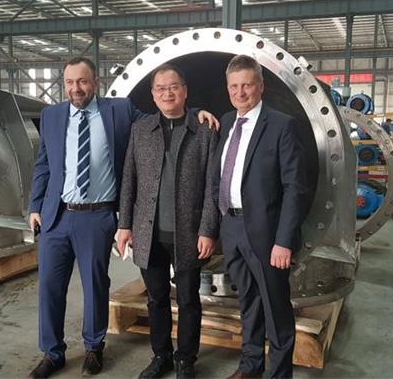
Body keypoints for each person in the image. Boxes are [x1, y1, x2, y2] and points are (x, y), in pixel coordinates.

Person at [27, 57, 218, 379]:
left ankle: (94, 348)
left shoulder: (120, 111)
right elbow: (43, 163)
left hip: (96, 214)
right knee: (49, 286)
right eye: (70, 82)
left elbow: (166, 112)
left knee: (95, 285)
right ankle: (52, 352)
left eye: (82, 81)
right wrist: (35, 205)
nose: (76, 88)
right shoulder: (51, 116)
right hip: (56, 215)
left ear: (96, 82)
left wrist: (197, 111)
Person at [115, 64, 219, 379]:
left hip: (188, 232)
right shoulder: (141, 130)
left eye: (173, 87)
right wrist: (124, 225)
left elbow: (213, 186)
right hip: (149, 232)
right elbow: (129, 180)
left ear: (184, 91)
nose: (167, 93)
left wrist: (208, 229)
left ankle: (186, 359)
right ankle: (161, 356)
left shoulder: (204, 129)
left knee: (188, 300)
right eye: (160, 88)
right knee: (156, 298)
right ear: (153, 95)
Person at [212, 55, 308, 379]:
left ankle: (279, 374)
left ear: (261, 86)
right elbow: (219, 174)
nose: (240, 92)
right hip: (231, 227)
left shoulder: (281, 125)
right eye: (234, 86)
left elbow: (294, 187)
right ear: (228, 89)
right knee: (248, 301)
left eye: (247, 85)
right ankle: (251, 366)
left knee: (275, 307)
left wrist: (284, 241)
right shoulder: (227, 122)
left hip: (267, 235)